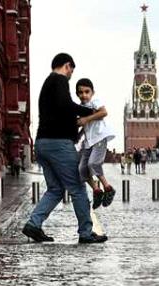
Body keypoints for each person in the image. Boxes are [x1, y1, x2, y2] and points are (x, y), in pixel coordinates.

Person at [22, 53, 107, 244]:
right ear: (67, 66)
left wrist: (76, 127)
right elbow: (66, 105)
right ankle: (86, 232)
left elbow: (60, 112)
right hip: (58, 145)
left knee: (56, 189)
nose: (70, 76)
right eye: (71, 71)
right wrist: (90, 112)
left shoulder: (47, 84)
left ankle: (33, 225)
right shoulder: (59, 80)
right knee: (77, 187)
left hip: (42, 143)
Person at [75, 78, 117, 209]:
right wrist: (79, 135)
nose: (84, 95)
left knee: (93, 163)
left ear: (92, 92)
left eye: (87, 92)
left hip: (99, 138)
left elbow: (104, 112)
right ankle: (97, 191)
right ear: (77, 94)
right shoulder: (81, 107)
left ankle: (108, 188)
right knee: (81, 169)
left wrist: (86, 118)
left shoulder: (95, 102)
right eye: (80, 92)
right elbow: (85, 126)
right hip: (89, 141)